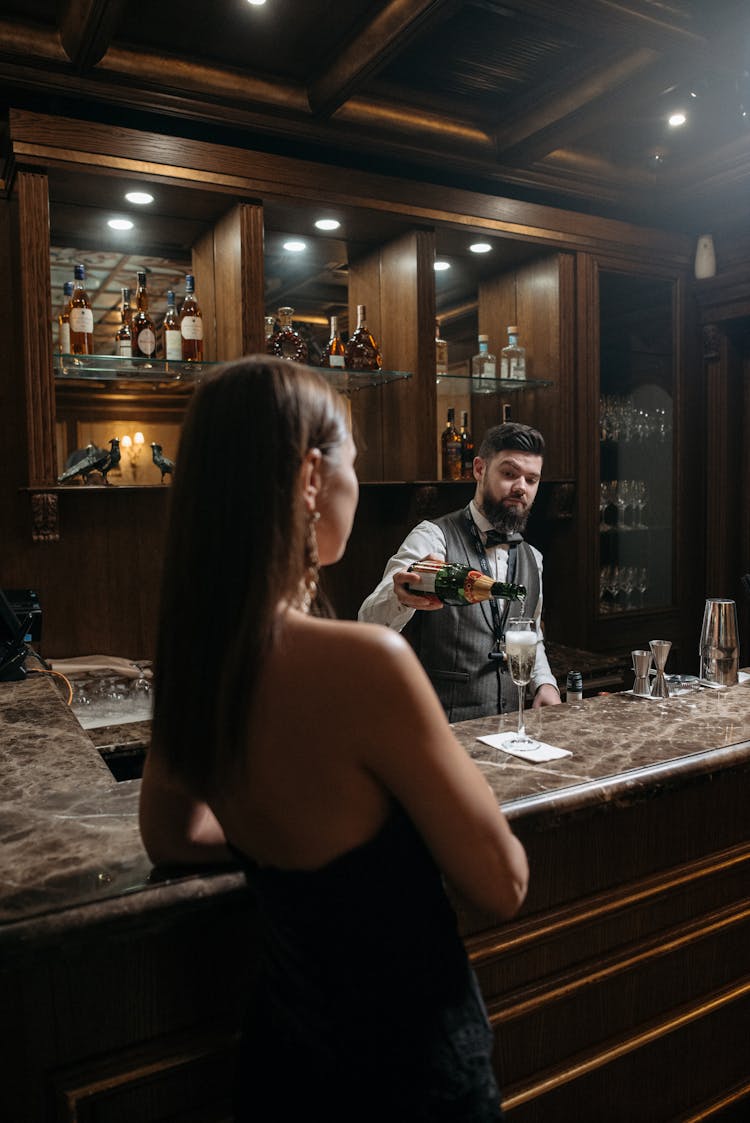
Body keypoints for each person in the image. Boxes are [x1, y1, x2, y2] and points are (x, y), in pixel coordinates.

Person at [139, 357, 529, 1122]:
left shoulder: (197, 660)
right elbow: (503, 882)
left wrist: (288, 829)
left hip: (287, 1063)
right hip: (409, 1072)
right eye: (353, 451)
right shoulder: (364, 664)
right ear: (313, 476)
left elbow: (170, 832)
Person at [358, 422, 561, 723]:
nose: (521, 487)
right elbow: (368, 622)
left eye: (532, 479)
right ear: (479, 469)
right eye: (509, 473)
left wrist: (544, 682)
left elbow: (529, 634)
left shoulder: (534, 558)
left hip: (509, 729)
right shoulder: (432, 537)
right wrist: (400, 597)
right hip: (439, 730)